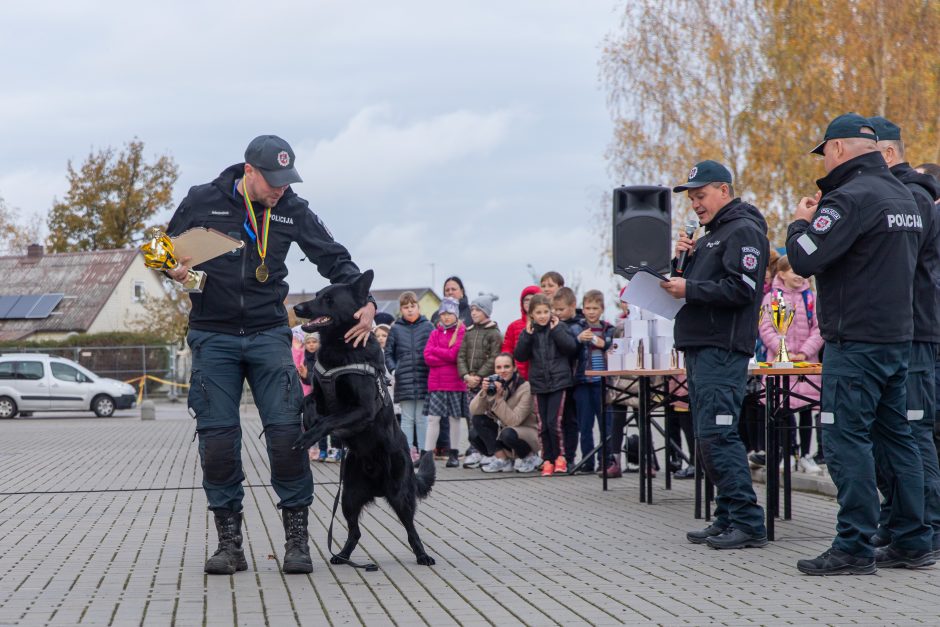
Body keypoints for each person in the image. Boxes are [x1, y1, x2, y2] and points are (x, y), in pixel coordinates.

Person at [166, 134, 376, 575]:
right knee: (218, 441)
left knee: (287, 435)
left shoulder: (293, 209)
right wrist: (171, 267)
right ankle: (230, 545)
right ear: (249, 171)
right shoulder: (203, 199)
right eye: (272, 181)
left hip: (268, 333)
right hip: (213, 335)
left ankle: (296, 543)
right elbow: (160, 249)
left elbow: (337, 261)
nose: (280, 188)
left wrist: (366, 300)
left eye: (286, 180)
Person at [786, 113, 932, 574]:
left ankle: (853, 545)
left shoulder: (849, 198)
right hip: (897, 338)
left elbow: (804, 258)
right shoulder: (904, 195)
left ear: (838, 149)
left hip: (856, 341)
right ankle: (913, 538)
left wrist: (799, 223)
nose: (825, 161)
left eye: (825, 152)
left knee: (845, 438)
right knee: (898, 438)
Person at [660, 159, 769, 550]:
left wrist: (689, 288)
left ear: (724, 190)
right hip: (700, 345)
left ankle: (748, 522)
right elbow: (695, 284)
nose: (695, 204)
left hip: (722, 347)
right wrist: (681, 264)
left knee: (718, 436)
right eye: (691, 198)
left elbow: (741, 290)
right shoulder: (709, 236)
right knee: (709, 437)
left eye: (701, 195)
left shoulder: (742, 230)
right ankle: (726, 517)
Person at [868, 116, 940, 559]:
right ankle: (899, 520)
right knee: (895, 433)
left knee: (914, 432)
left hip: (914, 330)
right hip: (902, 329)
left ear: (888, 154)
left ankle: (928, 526)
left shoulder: (912, 198)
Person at [758, 255, 823, 474]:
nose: (799, 276)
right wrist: (783, 351)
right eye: (794, 271)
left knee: (806, 408)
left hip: (806, 364)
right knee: (783, 409)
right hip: (780, 364)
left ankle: (805, 454)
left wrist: (804, 352)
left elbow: (819, 328)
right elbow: (766, 328)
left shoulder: (811, 298)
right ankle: (786, 453)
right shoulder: (771, 298)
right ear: (782, 274)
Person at [513, 293, 578, 476]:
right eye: (538, 312)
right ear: (531, 314)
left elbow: (571, 348)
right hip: (539, 384)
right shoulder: (530, 332)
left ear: (551, 312)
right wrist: (526, 334)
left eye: (545, 311)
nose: (542, 316)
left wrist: (557, 331)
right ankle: (547, 458)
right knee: (543, 425)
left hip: (558, 382)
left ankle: (560, 457)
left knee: (554, 422)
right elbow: (519, 355)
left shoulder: (560, 327)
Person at [468, 353, 542, 473]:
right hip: (505, 431)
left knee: (507, 433)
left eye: (506, 367)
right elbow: (474, 411)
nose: (502, 371)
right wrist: (483, 392)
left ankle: (529, 457)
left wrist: (498, 398)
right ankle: (503, 460)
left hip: (525, 432)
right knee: (475, 431)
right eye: (499, 367)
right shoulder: (495, 384)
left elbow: (515, 420)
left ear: (514, 368)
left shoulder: (525, 387)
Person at [385, 291, 433, 465]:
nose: (410, 310)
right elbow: (388, 353)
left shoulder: (428, 327)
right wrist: (394, 370)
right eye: (406, 307)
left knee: (422, 418)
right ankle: (406, 452)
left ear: (418, 307)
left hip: (423, 378)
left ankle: (423, 453)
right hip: (404, 380)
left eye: (413, 306)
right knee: (406, 419)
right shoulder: (396, 329)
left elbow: (434, 349)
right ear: (401, 310)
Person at [458, 293, 504, 468]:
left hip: (485, 384)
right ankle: (476, 451)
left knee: (487, 419)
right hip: (470, 383)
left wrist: (479, 377)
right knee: (472, 418)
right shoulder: (468, 332)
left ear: (486, 311)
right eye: (472, 309)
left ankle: (490, 451)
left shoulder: (494, 333)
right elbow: (461, 355)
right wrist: (466, 376)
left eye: (477, 309)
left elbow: (494, 358)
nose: (474, 313)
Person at [573, 289, 615, 474]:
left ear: (602, 309)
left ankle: (606, 461)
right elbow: (569, 348)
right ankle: (587, 460)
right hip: (583, 382)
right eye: (588, 308)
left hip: (603, 382)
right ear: (583, 309)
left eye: (595, 308)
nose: (591, 311)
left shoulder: (609, 329)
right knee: (585, 424)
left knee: (606, 423)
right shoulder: (576, 328)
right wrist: (578, 340)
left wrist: (602, 342)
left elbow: (613, 345)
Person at [423, 297, 468, 468]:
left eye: (449, 313)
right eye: (443, 313)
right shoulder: (435, 333)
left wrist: (438, 352)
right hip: (436, 383)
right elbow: (427, 356)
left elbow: (455, 355)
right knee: (433, 419)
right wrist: (445, 353)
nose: (446, 317)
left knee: (454, 419)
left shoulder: (461, 332)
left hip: (455, 383)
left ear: (456, 314)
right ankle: (427, 454)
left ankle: (454, 453)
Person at [551, 287, 583, 467]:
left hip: (574, 380)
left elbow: (574, 350)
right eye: (555, 309)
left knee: (571, 421)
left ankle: (570, 457)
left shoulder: (578, 325)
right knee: (559, 421)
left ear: (572, 306)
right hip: (559, 380)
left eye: (561, 309)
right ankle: (559, 456)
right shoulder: (554, 325)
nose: (557, 313)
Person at [501, 286, 541, 380]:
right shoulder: (513, 326)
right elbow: (507, 350)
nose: (529, 302)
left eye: (532, 299)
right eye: (526, 300)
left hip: (539, 376)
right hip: (518, 377)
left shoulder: (545, 325)